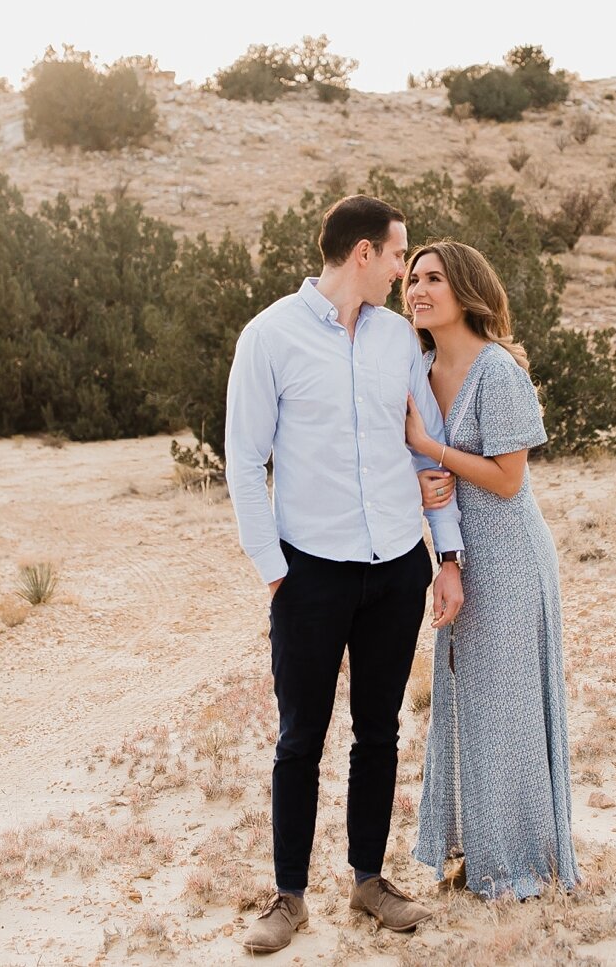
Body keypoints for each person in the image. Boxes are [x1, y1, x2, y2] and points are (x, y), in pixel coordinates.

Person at [224, 195, 465, 954]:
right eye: (398, 255)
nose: (404, 270)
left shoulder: (399, 339)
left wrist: (446, 555)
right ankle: (288, 896)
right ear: (363, 254)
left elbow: (427, 449)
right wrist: (273, 569)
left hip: (396, 568)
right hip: (310, 574)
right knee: (300, 737)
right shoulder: (269, 337)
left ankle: (368, 880)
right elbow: (244, 460)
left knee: (379, 730)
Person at [401, 240, 578, 899]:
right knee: (464, 700)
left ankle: (521, 866)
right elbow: (418, 469)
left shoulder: (497, 370)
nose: (417, 288)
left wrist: (432, 448)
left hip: (508, 554)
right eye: (412, 277)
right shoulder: (418, 368)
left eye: (434, 278)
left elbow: (508, 479)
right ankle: (475, 853)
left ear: (466, 290)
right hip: (456, 555)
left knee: (506, 706)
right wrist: (423, 479)